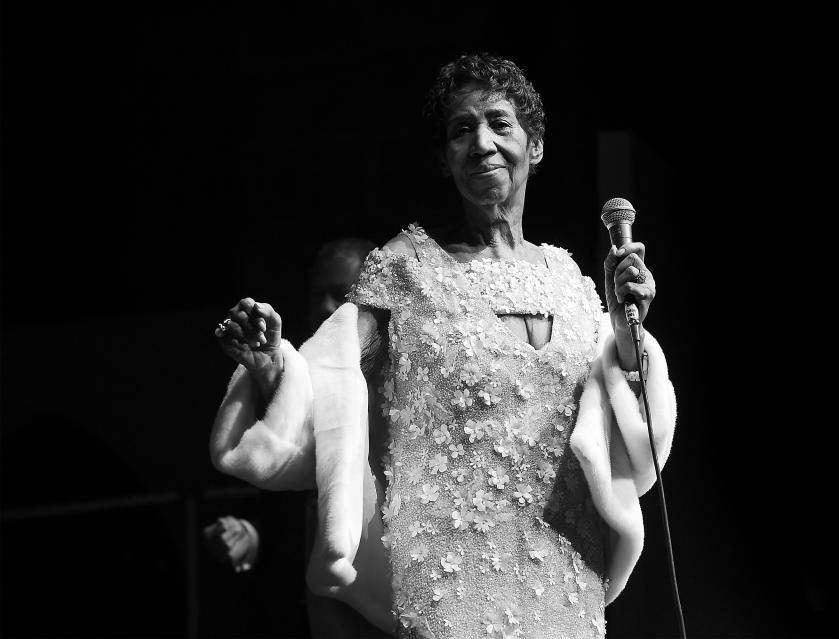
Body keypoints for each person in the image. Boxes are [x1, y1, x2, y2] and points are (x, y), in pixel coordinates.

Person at [211, 53, 677, 638]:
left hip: (567, 579)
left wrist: (629, 329)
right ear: (443, 158)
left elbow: (621, 428)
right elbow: (328, 384)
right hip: (453, 587)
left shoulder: (570, 279)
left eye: (500, 123)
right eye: (462, 130)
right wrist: (271, 365)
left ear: (534, 147)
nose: (482, 142)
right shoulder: (408, 270)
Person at [205, 238, 386, 638]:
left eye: (340, 294)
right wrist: (249, 535)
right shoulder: (296, 370)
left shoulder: (397, 383)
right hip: (301, 612)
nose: (324, 306)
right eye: (315, 294)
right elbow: (290, 468)